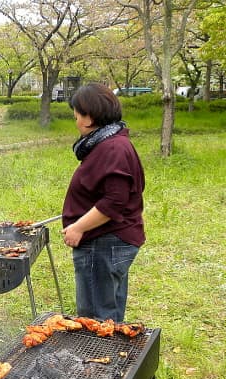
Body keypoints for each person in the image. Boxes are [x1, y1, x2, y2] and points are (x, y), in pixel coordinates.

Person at [61, 83, 145, 323]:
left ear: (88, 117)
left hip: (104, 243)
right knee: (110, 314)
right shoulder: (112, 141)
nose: (75, 119)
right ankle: (114, 356)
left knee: (96, 319)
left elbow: (114, 202)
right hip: (110, 241)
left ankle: (99, 359)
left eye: (76, 113)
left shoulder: (113, 148)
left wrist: (78, 227)